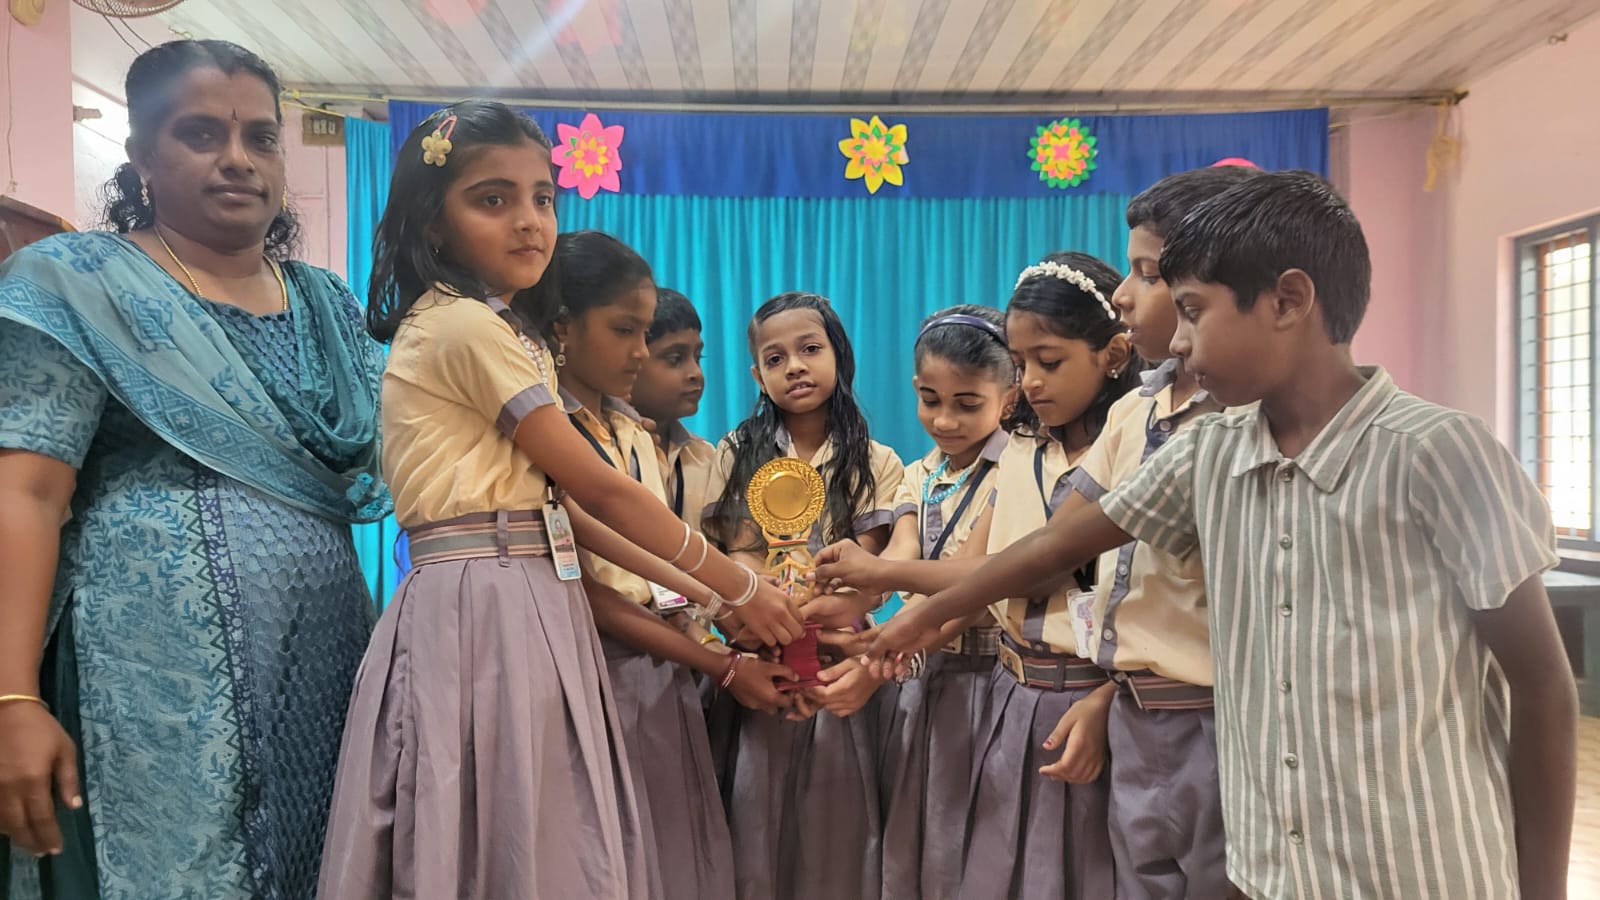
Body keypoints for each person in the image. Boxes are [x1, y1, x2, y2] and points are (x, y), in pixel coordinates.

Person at [866, 171, 1579, 900]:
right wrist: (919, 617)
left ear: (1288, 301)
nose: (1176, 340)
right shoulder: (1210, 451)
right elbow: (1061, 544)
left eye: (1193, 312)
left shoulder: (1440, 454)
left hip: (1418, 869)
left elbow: (1543, 687)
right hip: (1269, 870)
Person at [316, 101, 802, 900]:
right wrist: (740, 584)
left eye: (542, 197)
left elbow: (563, 513)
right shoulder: (462, 326)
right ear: (433, 223)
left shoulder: (502, 331)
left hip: (525, 586)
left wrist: (722, 592)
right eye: (493, 198)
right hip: (484, 599)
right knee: (504, 824)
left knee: (537, 830)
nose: (528, 220)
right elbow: (599, 489)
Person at [0, 39, 389, 900]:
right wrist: (11, 698)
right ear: (141, 156)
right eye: (201, 134)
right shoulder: (77, 283)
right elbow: (24, 492)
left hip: (323, 661)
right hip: (149, 681)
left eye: (261, 137)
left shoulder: (328, 302)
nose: (239, 159)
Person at [816, 253, 1139, 899]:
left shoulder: (1125, 445)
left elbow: (1016, 570)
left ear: (1112, 356)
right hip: (1011, 689)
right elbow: (985, 581)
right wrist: (886, 640)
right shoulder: (1023, 448)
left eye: (1049, 362)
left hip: (1086, 695)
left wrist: (883, 586)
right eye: (1021, 365)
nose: (1032, 384)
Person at [552, 230, 793, 900]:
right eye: (626, 331)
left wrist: (726, 610)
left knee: (670, 859)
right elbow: (587, 585)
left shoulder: (631, 433)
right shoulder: (551, 433)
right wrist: (723, 647)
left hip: (662, 667)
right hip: (594, 668)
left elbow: (656, 568)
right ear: (562, 329)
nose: (639, 350)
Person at [1062, 165, 1260, 899]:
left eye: (1147, 274)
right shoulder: (1132, 411)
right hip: (1136, 710)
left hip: (1218, 719)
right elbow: (1062, 540)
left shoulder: (1245, 421)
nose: (1122, 294)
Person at [702, 292, 904, 900]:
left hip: (841, 659)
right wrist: (759, 595)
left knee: (837, 826)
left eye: (810, 349)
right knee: (754, 815)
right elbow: (733, 549)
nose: (794, 366)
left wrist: (823, 603)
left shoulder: (877, 461)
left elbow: (869, 569)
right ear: (756, 375)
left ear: (839, 355)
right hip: (760, 651)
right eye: (775, 358)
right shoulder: (734, 452)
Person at [874, 305, 1013, 900]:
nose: (945, 420)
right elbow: (900, 554)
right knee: (920, 831)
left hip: (989, 677)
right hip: (921, 672)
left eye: (967, 403)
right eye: (930, 400)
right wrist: (841, 593)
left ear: (1008, 398)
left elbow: (975, 588)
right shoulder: (919, 473)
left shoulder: (1015, 471)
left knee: (979, 836)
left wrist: (881, 642)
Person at [630, 287, 717, 530]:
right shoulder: (607, 450)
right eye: (675, 359)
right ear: (630, 361)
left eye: (698, 358)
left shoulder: (706, 456)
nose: (695, 373)